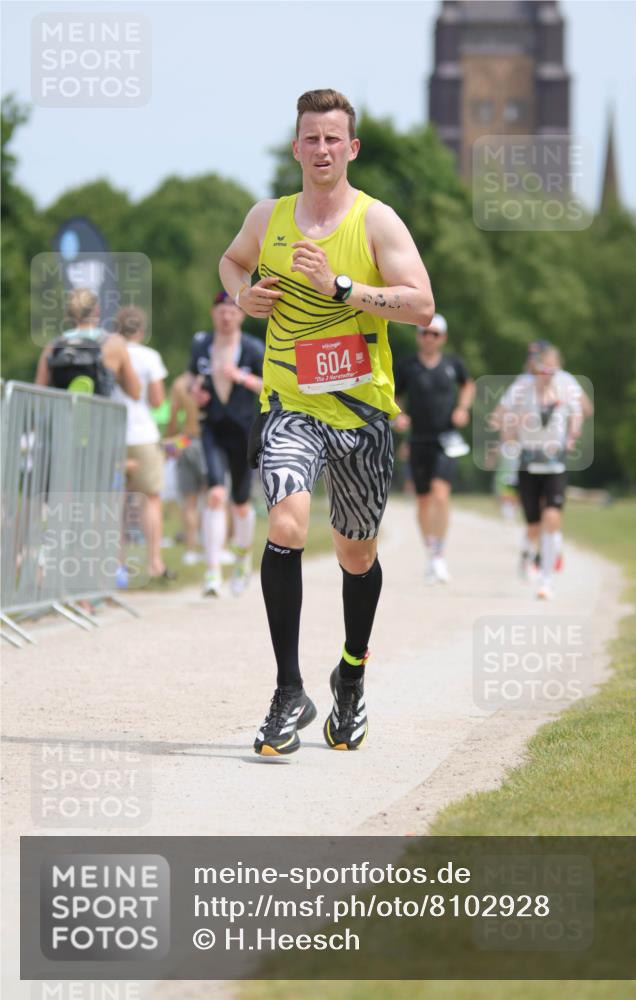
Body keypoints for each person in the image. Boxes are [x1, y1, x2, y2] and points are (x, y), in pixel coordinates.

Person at [220, 88, 434, 755]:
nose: (321, 150)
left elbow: (421, 305)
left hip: (363, 411)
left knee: (354, 552)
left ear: (351, 148)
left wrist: (341, 288)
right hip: (289, 402)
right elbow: (231, 262)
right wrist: (242, 294)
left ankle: (351, 676)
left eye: (332, 139)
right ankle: (290, 690)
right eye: (310, 138)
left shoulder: (377, 223)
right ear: (296, 147)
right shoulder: (268, 217)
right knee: (285, 523)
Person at [187, 290, 264, 598]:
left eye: (232, 310)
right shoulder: (201, 344)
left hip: (244, 431)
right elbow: (190, 377)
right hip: (212, 428)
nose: (226, 315)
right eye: (221, 309)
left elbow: (269, 385)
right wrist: (195, 389)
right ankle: (212, 571)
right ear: (213, 312)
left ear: (241, 315)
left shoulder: (253, 348)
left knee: (241, 503)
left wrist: (240, 378)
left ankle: (243, 560)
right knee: (216, 494)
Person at [496, 343, 583, 599]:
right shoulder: (522, 388)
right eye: (542, 368)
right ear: (534, 367)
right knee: (533, 524)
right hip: (528, 463)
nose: (547, 373)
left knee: (552, 518)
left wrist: (573, 435)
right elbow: (504, 417)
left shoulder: (566, 384)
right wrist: (509, 436)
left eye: (551, 369)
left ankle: (545, 581)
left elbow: (577, 413)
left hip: (555, 463)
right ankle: (526, 552)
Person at [394, 314, 475, 583]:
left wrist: (463, 409)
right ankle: (430, 552)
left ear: (443, 338)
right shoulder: (407, 366)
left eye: (435, 334)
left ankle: (439, 554)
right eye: (424, 333)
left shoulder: (453, 365)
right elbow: (393, 394)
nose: (429, 338)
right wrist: (398, 415)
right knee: (423, 501)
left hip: (447, 439)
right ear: (418, 336)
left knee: (441, 496)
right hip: (418, 440)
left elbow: (468, 384)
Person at [112, 306, 174, 582]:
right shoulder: (150, 357)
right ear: (142, 330)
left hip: (111, 434)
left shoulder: (108, 353)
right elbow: (157, 401)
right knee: (151, 499)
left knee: (116, 501)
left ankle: (117, 565)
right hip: (142, 435)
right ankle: (154, 563)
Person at [35, 288, 140, 400]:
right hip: (99, 414)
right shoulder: (114, 343)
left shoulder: (53, 345)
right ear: (97, 311)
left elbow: (38, 391)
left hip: (62, 415)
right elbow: (135, 392)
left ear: (68, 314)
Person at [165, 372, 208, 566]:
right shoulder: (211, 378)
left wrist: (169, 441)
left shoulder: (180, 383)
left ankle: (190, 551)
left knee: (189, 502)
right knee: (213, 500)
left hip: (186, 439)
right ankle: (215, 548)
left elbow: (173, 418)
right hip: (209, 441)